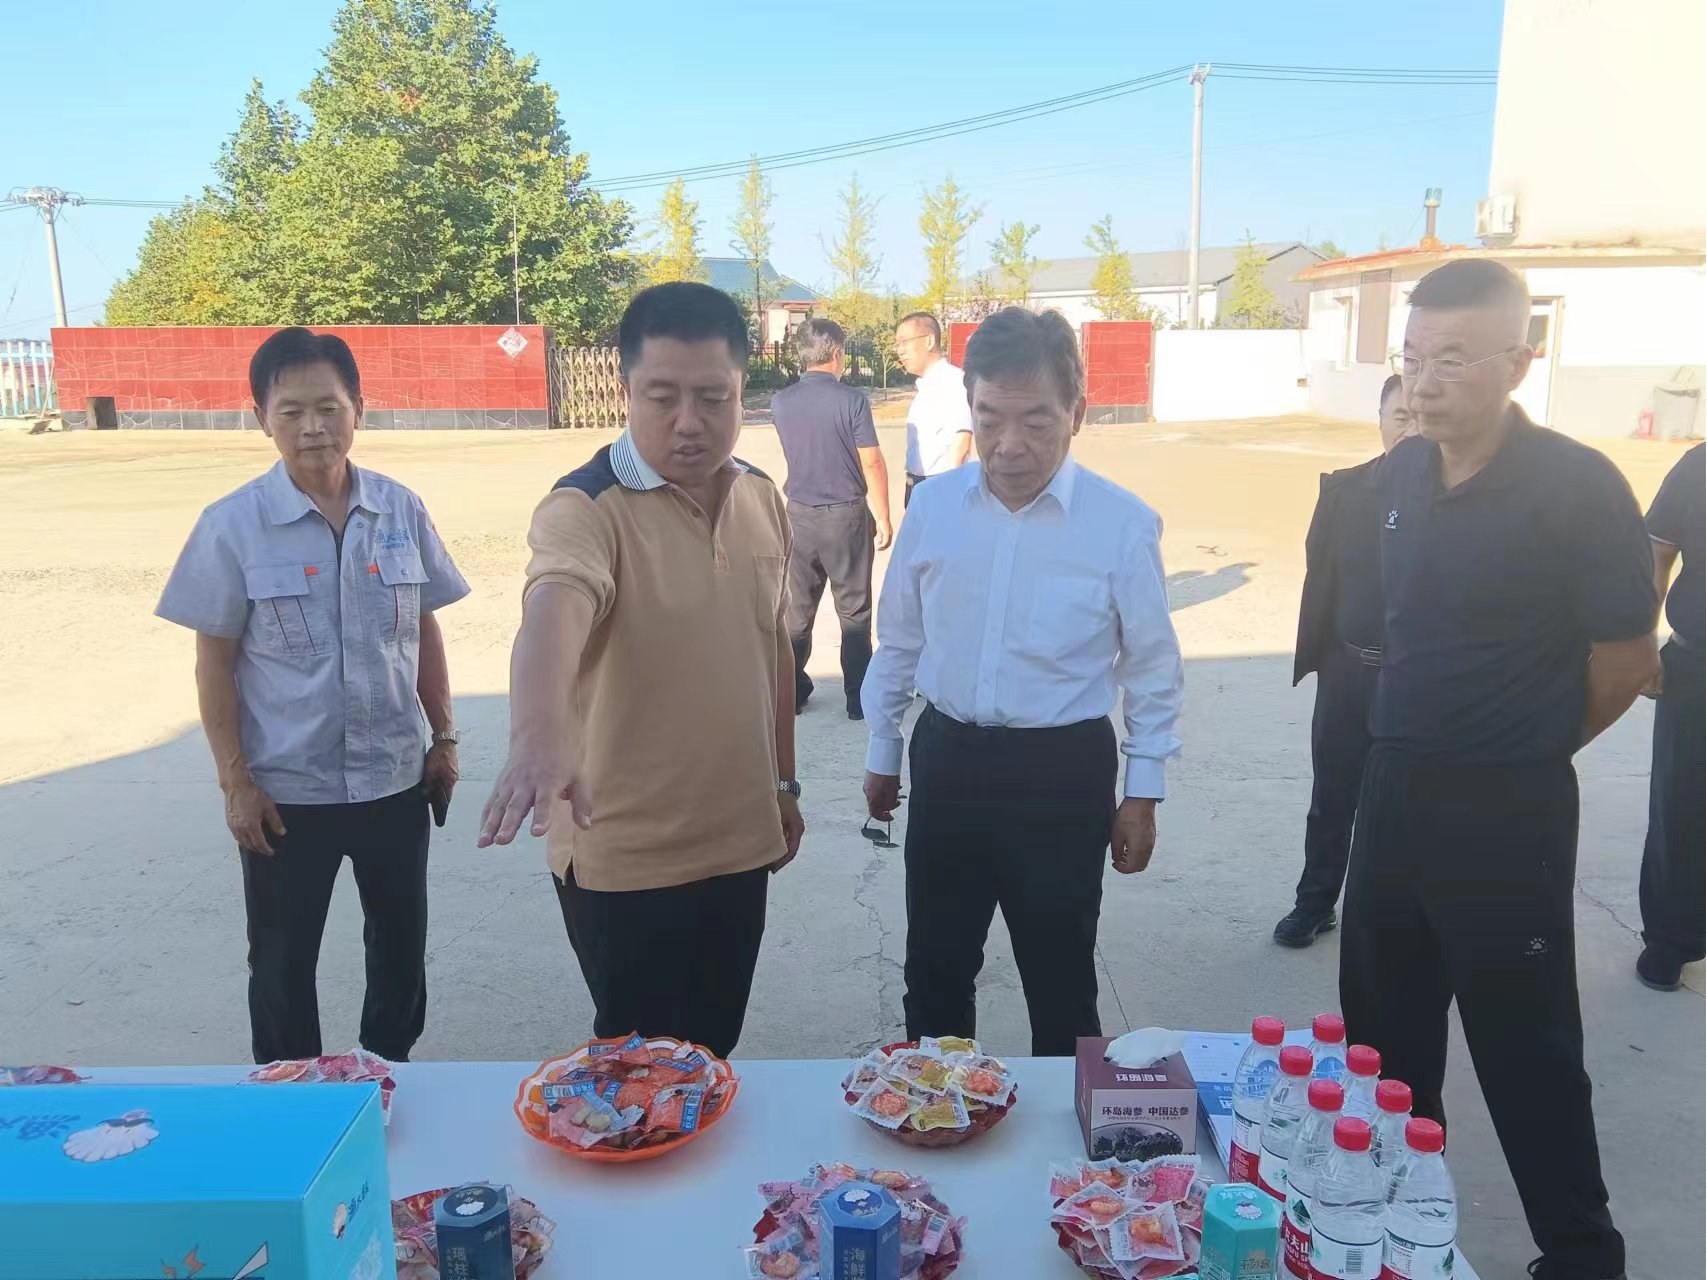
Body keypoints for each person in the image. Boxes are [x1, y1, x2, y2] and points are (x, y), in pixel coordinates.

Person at [1340, 260, 1655, 1280]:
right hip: (1394, 791)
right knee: (1381, 1044)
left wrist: (1521, 743)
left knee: (1527, 1046)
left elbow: (1626, 660)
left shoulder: (1578, 486)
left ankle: (1581, 1253)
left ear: (1519, 362)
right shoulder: (1400, 475)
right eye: (1412, 357)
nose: (1424, 383)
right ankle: (1395, 1233)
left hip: (1507, 808)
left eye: (1453, 359)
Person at [477, 281, 804, 1060]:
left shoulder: (760, 496)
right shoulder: (586, 508)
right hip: (624, 856)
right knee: (637, 1070)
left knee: (712, 1053)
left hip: (738, 840)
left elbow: (771, 650)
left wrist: (783, 785)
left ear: (742, 391)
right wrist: (537, 736)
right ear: (626, 391)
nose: (688, 422)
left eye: (713, 398)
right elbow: (554, 606)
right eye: (661, 397)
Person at [862, 307, 1183, 1057]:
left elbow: (1151, 666)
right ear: (969, 409)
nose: (1009, 444)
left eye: (1036, 420)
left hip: (1061, 772)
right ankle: (937, 1110)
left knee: (1060, 973)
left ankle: (1068, 1126)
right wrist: (884, 751)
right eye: (989, 419)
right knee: (935, 968)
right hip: (948, 758)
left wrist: (1142, 792)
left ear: (1077, 412)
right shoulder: (934, 507)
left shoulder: (1121, 524)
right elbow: (900, 636)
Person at [156, 327, 469, 1065]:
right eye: (290, 411)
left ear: (358, 407)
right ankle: (291, 1088)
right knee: (281, 957)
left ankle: (386, 1071)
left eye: (328, 407)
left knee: (401, 945)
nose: (313, 427)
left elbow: (423, 627)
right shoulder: (232, 525)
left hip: (394, 777)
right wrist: (236, 783)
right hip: (287, 791)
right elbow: (213, 665)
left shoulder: (400, 509)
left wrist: (444, 737)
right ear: (260, 416)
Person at [1275, 374, 1413, 947]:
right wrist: (1328, 659)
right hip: (1348, 673)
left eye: (1421, 417)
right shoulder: (1344, 492)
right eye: (1400, 416)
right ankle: (1315, 903)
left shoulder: (1460, 505)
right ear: (1380, 421)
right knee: (1332, 797)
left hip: (1417, 684)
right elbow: (1322, 575)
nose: (1411, 428)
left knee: (1408, 807)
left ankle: (1391, 917)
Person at [770, 317, 892, 719]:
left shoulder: (781, 401)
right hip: (846, 517)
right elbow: (871, 461)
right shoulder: (852, 400)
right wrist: (883, 516)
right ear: (837, 353)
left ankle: (790, 694)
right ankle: (858, 699)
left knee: (796, 611)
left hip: (798, 516)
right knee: (854, 611)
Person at [1636, 442, 1705, 992]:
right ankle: (1669, 939)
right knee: (1681, 806)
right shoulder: (1699, 466)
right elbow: (1658, 555)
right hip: (1697, 664)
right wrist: (1642, 644)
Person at [894, 311, 972, 507]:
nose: (900, 351)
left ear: (929, 341)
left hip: (940, 487)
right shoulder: (925, 387)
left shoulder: (954, 382)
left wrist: (947, 494)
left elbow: (961, 444)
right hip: (916, 485)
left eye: (904, 342)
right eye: (897, 344)